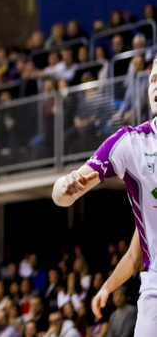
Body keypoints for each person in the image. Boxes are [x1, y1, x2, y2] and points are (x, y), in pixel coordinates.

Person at [52, 56, 157, 336]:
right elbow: (61, 196)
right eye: (153, 79)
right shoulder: (132, 143)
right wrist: (65, 186)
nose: (155, 86)